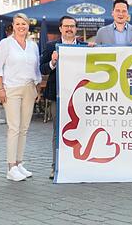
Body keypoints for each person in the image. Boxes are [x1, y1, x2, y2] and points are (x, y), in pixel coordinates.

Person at [0, 13, 42, 182]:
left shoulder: (32, 46)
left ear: (28, 26)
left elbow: (36, 70)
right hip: (11, 89)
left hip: (29, 88)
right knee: (14, 127)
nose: (21, 26)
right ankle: (10, 166)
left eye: (24, 24)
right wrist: (0, 89)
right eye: (18, 23)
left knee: (24, 128)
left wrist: (37, 88)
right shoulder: (5, 44)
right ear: (13, 26)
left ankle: (19, 163)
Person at [39, 15, 87, 179]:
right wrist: (53, 62)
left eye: (72, 26)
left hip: (79, 96)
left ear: (76, 29)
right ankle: (56, 166)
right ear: (60, 29)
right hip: (57, 96)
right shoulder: (51, 46)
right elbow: (43, 70)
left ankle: (77, 163)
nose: (69, 29)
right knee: (58, 131)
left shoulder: (84, 46)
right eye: (66, 26)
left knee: (80, 129)